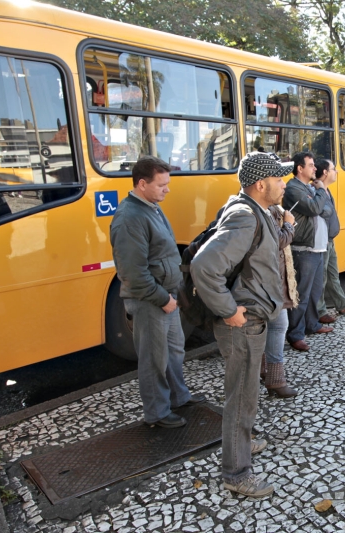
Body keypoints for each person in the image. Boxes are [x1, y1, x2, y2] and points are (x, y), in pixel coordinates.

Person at [191, 151, 293, 498]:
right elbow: (204, 267)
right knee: (241, 398)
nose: (284, 183)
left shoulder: (256, 212)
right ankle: (236, 474)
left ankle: (243, 443)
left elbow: (264, 250)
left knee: (246, 395)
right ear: (261, 184)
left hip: (252, 319)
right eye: (279, 179)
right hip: (243, 322)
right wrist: (228, 309)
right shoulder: (245, 216)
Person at [109, 156, 206, 429]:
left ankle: (178, 397)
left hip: (166, 296)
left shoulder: (150, 206)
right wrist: (163, 299)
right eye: (162, 184)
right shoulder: (129, 218)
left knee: (174, 351)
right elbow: (133, 273)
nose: (168, 189)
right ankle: (157, 413)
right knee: (154, 360)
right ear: (142, 184)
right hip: (152, 301)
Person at [282, 152, 333, 352]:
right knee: (301, 294)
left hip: (318, 247)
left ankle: (312, 324)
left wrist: (319, 200)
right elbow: (314, 208)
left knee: (314, 292)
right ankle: (295, 334)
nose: (315, 169)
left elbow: (326, 210)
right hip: (303, 248)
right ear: (300, 168)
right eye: (311, 165)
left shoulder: (309, 188)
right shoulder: (294, 188)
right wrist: (320, 191)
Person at [262, 202, 299, 398]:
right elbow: (279, 240)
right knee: (278, 326)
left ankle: (265, 371)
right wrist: (289, 224)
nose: (284, 184)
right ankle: (276, 380)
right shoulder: (264, 212)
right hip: (269, 283)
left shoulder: (267, 209)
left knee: (269, 327)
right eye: (278, 180)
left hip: (272, 281)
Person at [315, 159, 345, 323]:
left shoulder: (326, 190)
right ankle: (319, 310)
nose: (336, 172)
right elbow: (323, 212)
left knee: (333, 274)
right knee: (322, 277)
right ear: (325, 172)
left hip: (329, 240)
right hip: (322, 240)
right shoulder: (318, 191)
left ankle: (342, 303)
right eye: (333, 169)